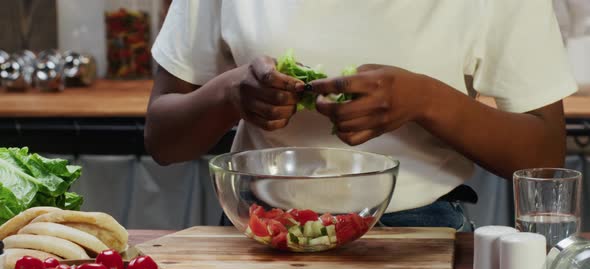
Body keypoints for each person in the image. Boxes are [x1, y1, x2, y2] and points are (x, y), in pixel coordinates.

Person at [145, 0, 577, 230]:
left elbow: (542, 153)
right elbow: (163, 139)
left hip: (418, 231)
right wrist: (230, 93)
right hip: (259, 228)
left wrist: (427, 101)